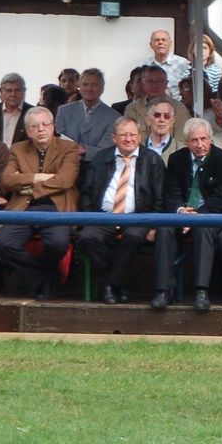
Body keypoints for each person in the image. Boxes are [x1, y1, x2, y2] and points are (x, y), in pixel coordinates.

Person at [76, 117, 167, 305]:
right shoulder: (101, 158)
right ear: (113, 138)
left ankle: (110, 285)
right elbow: (86, 192)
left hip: (139, 217)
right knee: (88, 237)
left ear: (140, 136)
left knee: (133, 237)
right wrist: (87, 218)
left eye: (133, 134)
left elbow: (160, 198)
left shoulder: (152, 160)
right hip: (103, 216)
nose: (128, 139)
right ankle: (117, 285)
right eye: (123, 135)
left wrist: (154, 225)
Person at [0, 107, 82, 301]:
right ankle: (45, 276)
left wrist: (28, 186)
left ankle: (41, 280)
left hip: (56, 208)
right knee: (2, 243)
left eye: (45, 124)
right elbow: (7, 180)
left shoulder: (69, 148)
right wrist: (38, 177)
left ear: (53, 127)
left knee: (58, 244)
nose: (40, 129)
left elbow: (65, 180)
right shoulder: (18, 149)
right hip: (24, 207)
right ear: (27, 130)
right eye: (35, 126)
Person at [158, 118, 222, 310]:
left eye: (204, 139)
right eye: (194, 140)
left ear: (210, 139)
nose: (200, 145)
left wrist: (198, 215)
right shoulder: (177, 159)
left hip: (208, 215)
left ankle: (202, 291)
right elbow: (171, 191)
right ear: (187, 142)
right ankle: (163, 291)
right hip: (181, 215)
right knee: (164, 229)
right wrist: (180, 210)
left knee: (203, 230)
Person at [54, 69, 121, 154]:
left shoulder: (114, 117)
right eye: (85, 85)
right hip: (66, 162)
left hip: (97, 165)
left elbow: (106, 150)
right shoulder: (64, 111)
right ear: (79, 87)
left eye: (94, 85)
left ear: (102, 88)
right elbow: (58, 140)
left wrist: (84, 150)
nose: (89, 89)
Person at [123, 65, 190, 135]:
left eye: (159, 81)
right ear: (143, 84)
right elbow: (128, 135)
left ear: (166, 83)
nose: (154, 85)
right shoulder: (132, 109)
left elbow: (182, 140)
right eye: (150, 81)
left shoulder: (179, 109)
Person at [0, 73, 30, 148]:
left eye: (17, 90)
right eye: (9, 90)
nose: (13, 94)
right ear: (1, 91)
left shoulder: (32, 113)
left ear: (24, 92)